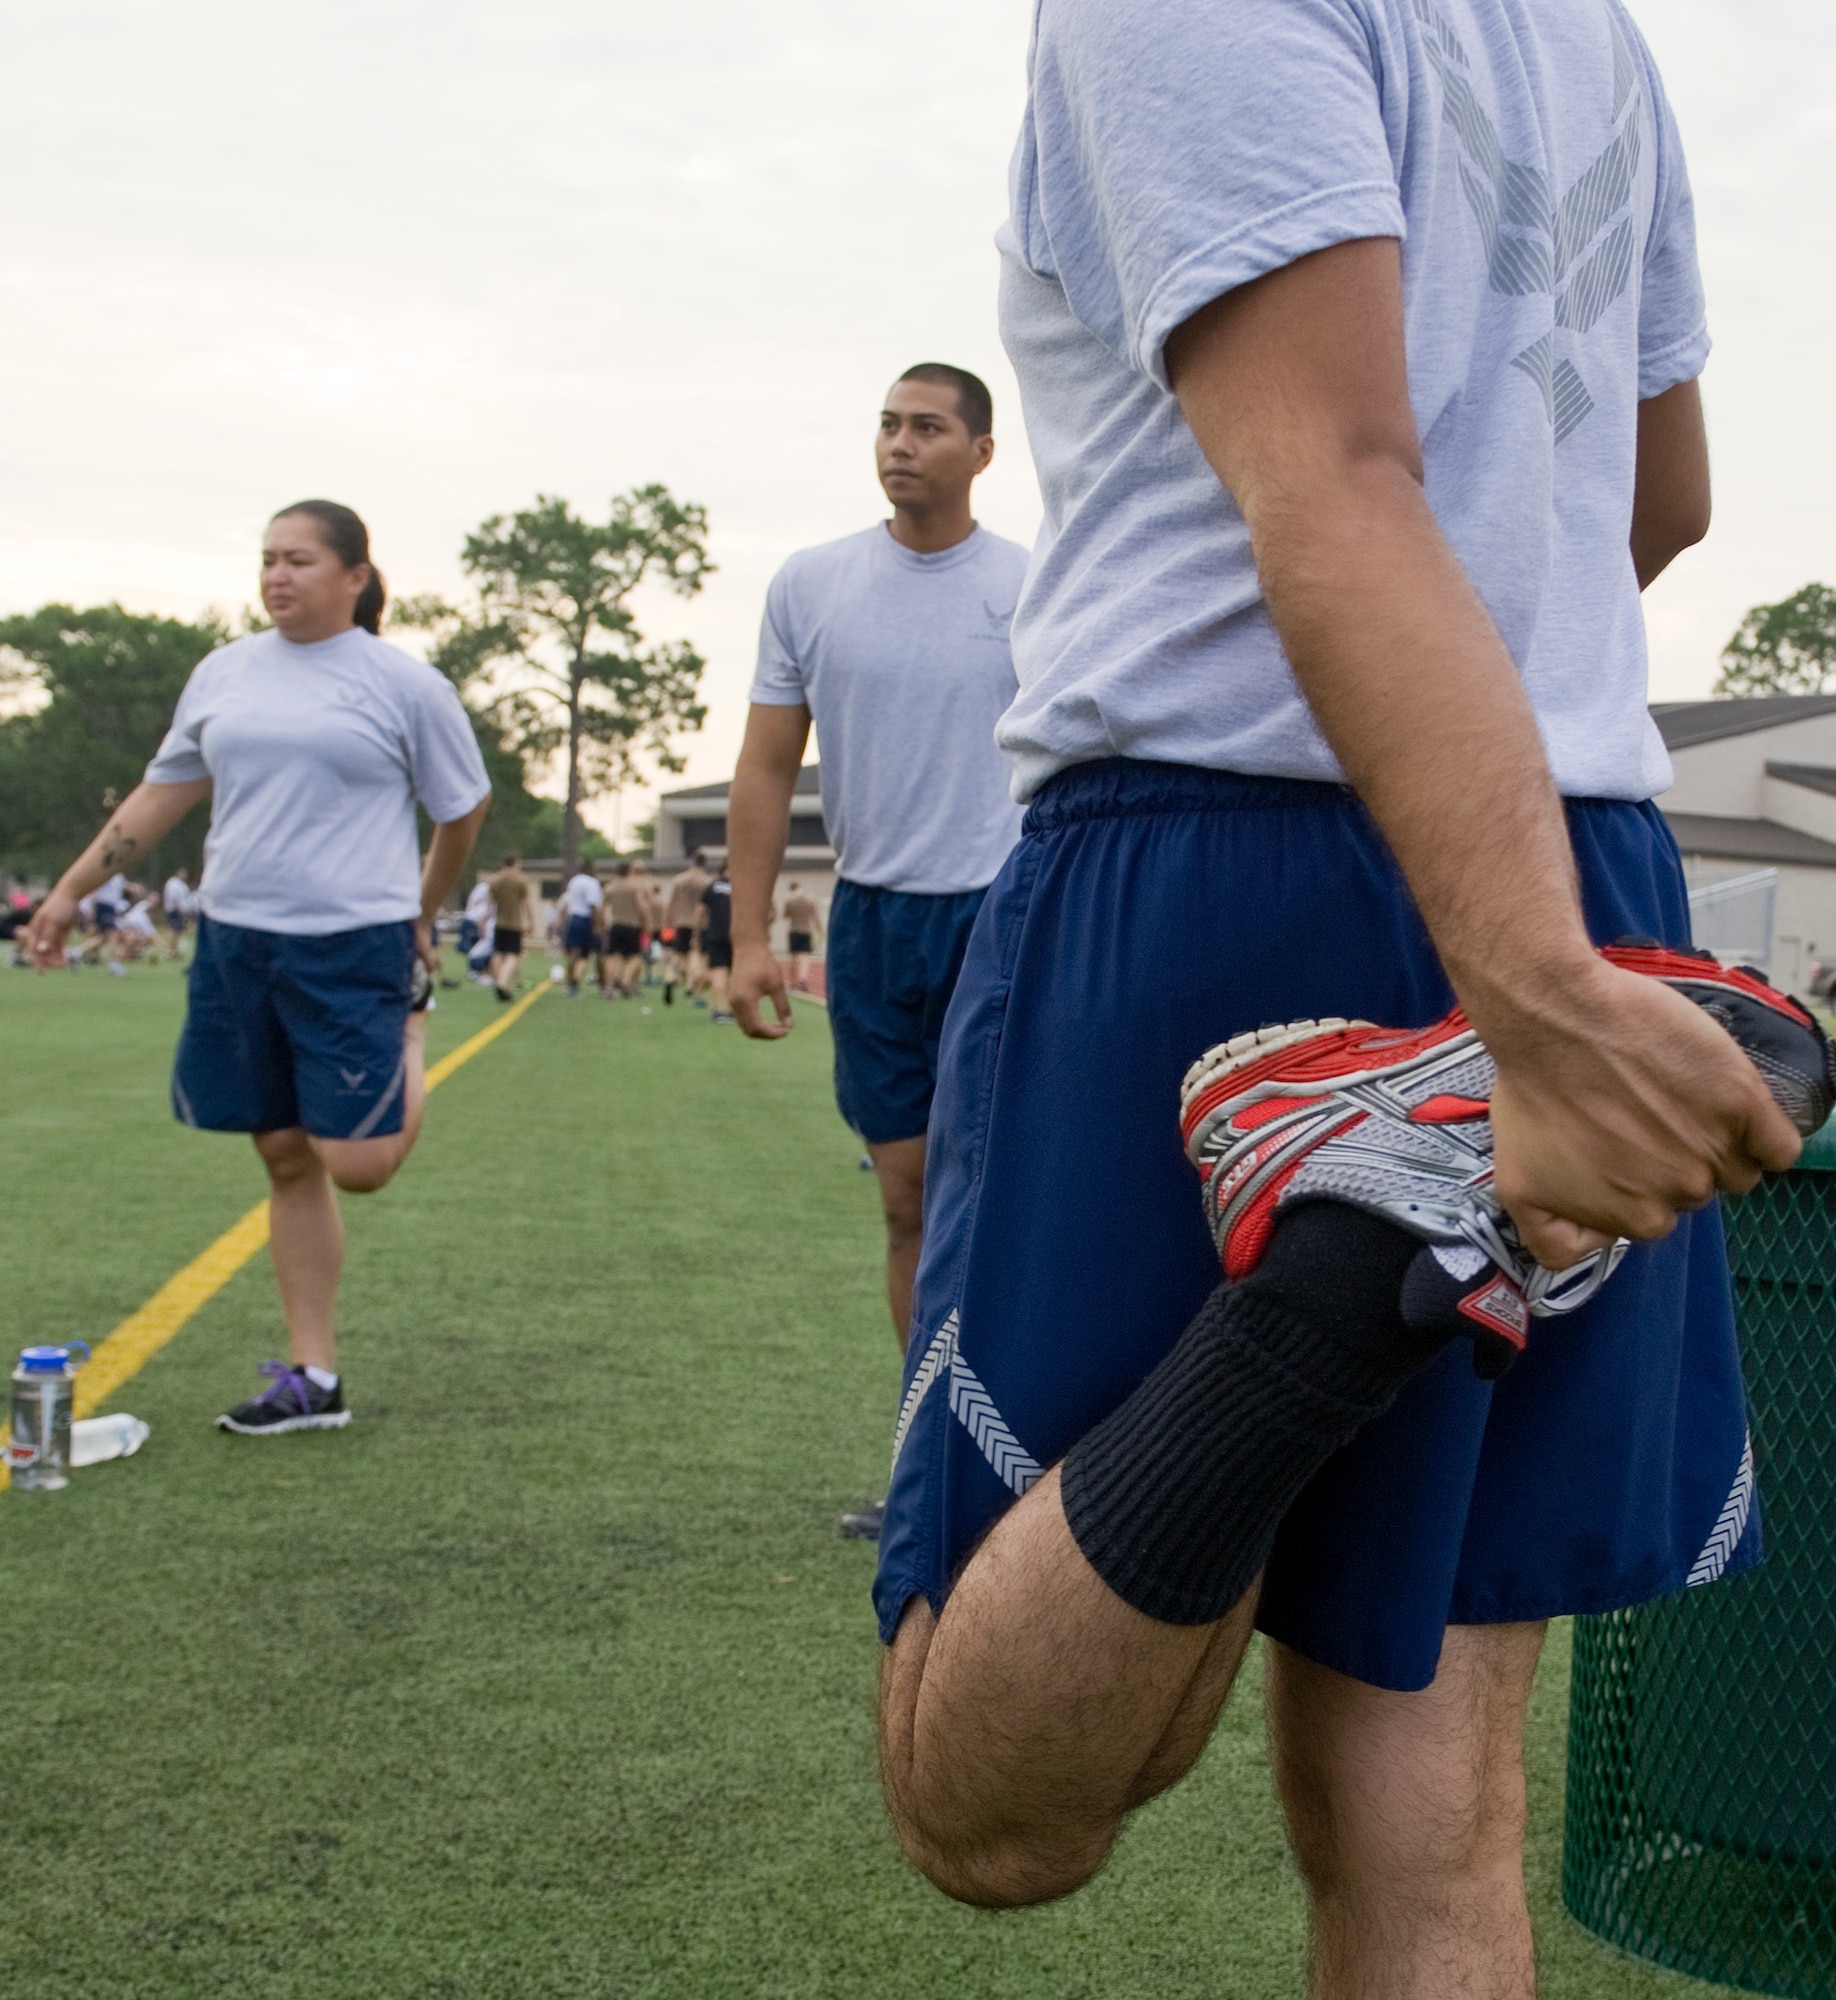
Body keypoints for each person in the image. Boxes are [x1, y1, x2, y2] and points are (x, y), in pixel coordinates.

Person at [859, 4, 1802, 1989]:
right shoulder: (1597, 34)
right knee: (1432, 1825)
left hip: (1227, 858)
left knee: (985, 1804)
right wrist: (1531, 919)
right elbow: (1660, 498)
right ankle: (1399, 1208)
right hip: (1569, 839)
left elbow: (1337, 470)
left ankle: (1356, 1240)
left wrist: (1521, 993)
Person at [26, 499, 490, 1435]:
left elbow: (461, 809)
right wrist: (70, 891)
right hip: (238, 940)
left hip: (355, 941)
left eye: (301, 560)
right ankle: (313, 1380)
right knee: (283, 1155)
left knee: (357, 1164)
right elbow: (163, 795)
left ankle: (412, 1022)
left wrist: (421, 911)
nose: (278, 576)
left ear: (355, 577)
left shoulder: (405, 686)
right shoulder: (224, 673)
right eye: (268, 560)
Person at [728, 362, 1029, 1542]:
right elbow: (763, 769)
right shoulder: (812, 583)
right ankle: (933, 1460)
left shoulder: (1032, 584)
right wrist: (748, 938)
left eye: (929, 427)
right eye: (889, 424)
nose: (901, 444)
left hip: (1005, 916)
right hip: (872, 920)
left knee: (997, 1196)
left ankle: (1020, 1452)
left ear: (982, 452)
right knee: (906, 1197)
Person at [662, 849, 710, 1007]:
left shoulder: (679, 880)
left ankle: (670, 976)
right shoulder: (708, 881)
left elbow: (671, 902)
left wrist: (667, 921)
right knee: (695, 954)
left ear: (691, 862)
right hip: (701, 924)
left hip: (680, 921)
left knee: (678, 954)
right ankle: (691, 985)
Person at [599, 860, 652, 998]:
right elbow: (643, 907)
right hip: (632, 926)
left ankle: (609, 986)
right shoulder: (635, 887)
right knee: (635, 956)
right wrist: (647, 923)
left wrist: (603, 922)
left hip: (615, 925)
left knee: (612, 956)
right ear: (629, 871)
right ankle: (625, 980)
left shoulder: (610, 887)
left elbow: (602, 907)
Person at [485, 855, 535, 1001]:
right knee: (512, 955)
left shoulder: (494, 881)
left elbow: (489, 904)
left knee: (498, 953)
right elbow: (527, 904)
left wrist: (485, 920)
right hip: (514, 923)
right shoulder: (520, 881)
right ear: (514, 865)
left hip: (499, 923)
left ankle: (497, 981)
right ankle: (501, 984)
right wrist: (531, 922)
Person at [558, 864, 602, 995]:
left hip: (573, 918)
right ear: (590, 870)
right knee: (598, 952)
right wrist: (597, 924)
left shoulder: (574, 881)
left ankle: (570, 982)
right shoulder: (592, 883)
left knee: (573, 953)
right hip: (585, 919)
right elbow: (593, 905)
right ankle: (603, 984)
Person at [700, 861, 736, 1023]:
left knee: (717, 972)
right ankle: (732, 1009)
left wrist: (697, 932)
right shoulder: (740, 886)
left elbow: (700, 910)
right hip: (735, 935)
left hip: (715, 934)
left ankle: (717, 1009)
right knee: (732, 974)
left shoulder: (712, 886)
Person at [782, 882, 822, 992]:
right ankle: (802, 980)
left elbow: (785, 915)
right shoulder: (810, 900)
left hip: (794, 930)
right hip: (806, 930)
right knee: (805, 956)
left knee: (792, 955)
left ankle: (792, 981)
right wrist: (821, 931)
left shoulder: (789, 900)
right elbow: (815, 917)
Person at [162, 866, 194, 961]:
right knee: (175, 930)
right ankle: (172, 951)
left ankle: (175, 950)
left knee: (178, 930)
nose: (184, 875)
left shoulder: (181, 884)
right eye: (182, 872)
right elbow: (174, 897)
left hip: (180, 909)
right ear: (178, 872)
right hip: (174, 909)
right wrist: (180, 909)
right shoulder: (173, 883)